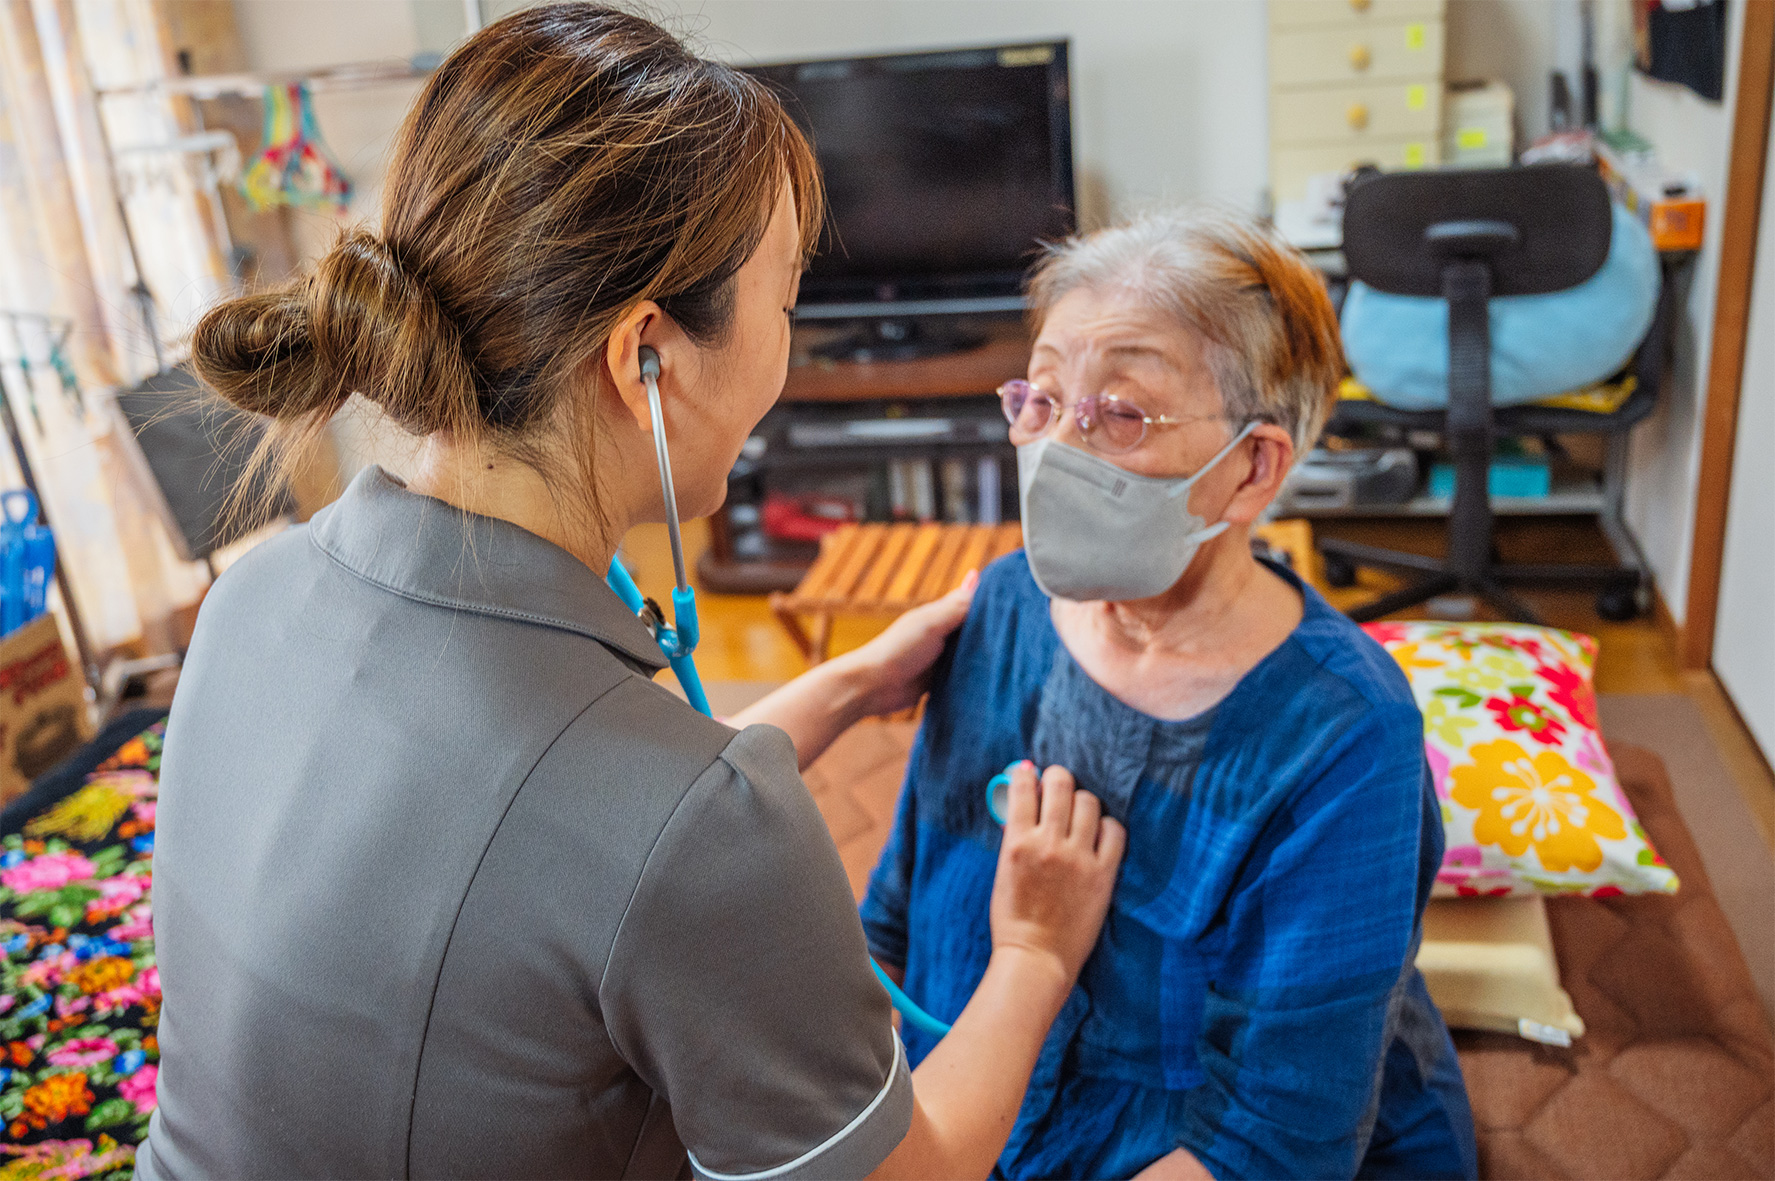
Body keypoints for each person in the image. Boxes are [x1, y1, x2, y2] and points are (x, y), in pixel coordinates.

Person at [137, 7, 1125, 1179]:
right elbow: (918, 1164)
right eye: (785, 294)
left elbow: (549, 844)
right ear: (644, 354)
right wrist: (1032, 950)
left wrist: (848, 685)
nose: (788, 342)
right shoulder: (697, 825)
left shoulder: (255, 598)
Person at [860, 211, 1478, 1180]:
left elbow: (1274, 1142)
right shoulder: (1006, 600)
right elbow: (902, 909)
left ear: (1248, 469)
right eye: (1041, 397)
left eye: (1120, 411)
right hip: (977, 1107)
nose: (1056, 447)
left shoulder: (1344, 727)